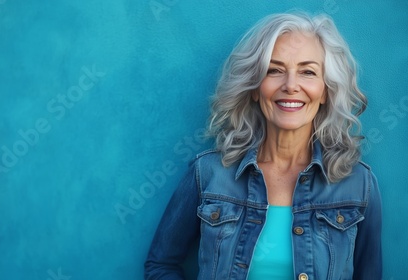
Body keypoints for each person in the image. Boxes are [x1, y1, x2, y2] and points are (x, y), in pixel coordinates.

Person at [144, 12, 382, 280]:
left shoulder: (359, 184)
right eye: (274, 70)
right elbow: (160, 265)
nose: (291, 85)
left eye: (307, 72)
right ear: (255, 87)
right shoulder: (209, 173)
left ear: (326, 90)